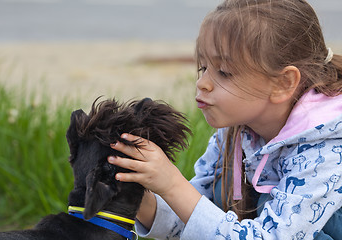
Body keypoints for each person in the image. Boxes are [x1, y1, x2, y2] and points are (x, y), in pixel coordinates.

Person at [107, 0, 342, 239]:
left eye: (224, 72)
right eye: (203, 68)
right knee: (222, 188)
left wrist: (172, 185)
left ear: (283, 83)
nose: (202, 83)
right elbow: (192, 216)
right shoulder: (235, 133)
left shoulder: (327, 150)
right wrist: (131, 191)